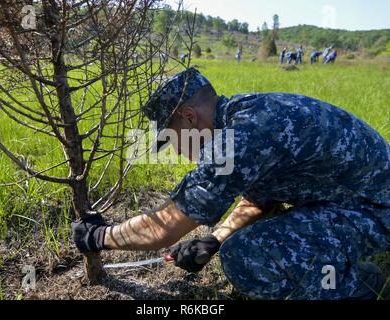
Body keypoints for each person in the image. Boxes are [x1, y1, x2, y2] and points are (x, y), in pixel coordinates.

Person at [72, 68, 390, 300]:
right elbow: (260, 199)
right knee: (237, 243)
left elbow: (163, 228)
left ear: (190, 117)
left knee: (246, 256)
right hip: (357, 197)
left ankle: (356, 286)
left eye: (172, 139)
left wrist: (100, 236)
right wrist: (215, 239)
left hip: (377, 210)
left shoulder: (237, 141)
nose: (180, 152)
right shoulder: (245, 111)